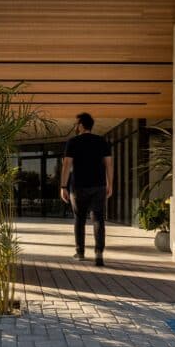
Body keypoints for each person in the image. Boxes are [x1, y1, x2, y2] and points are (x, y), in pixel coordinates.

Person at [59, 112, 112, 267]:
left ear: (81, 125)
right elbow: (109, 164)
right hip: (99, 186)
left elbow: (66, 165)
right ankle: (99, 253)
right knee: (98, 219)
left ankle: (80, 252)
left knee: (79, 219)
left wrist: (63, 186)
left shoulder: (73, 142)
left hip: (78, 187)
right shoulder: (102, 141)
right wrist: (110, 184)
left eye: (77, 124)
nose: (76, 127)